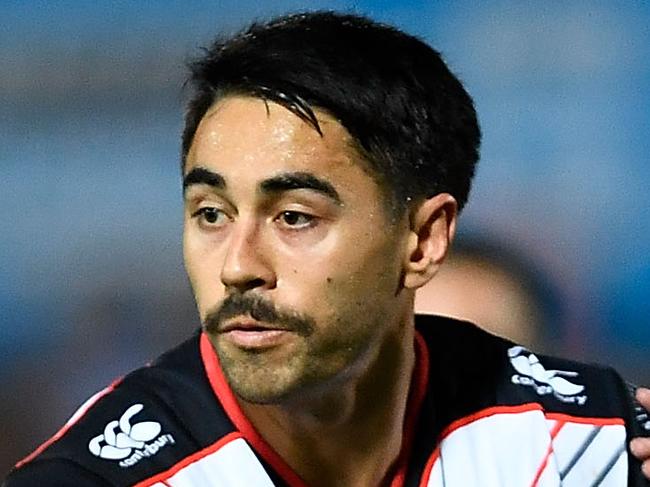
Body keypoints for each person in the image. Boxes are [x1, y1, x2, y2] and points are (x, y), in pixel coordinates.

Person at [4, 11, 650, 487]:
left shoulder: (576, 437)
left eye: (293, 216)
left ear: (424, 240)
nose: (238, 266)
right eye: (210, 213)